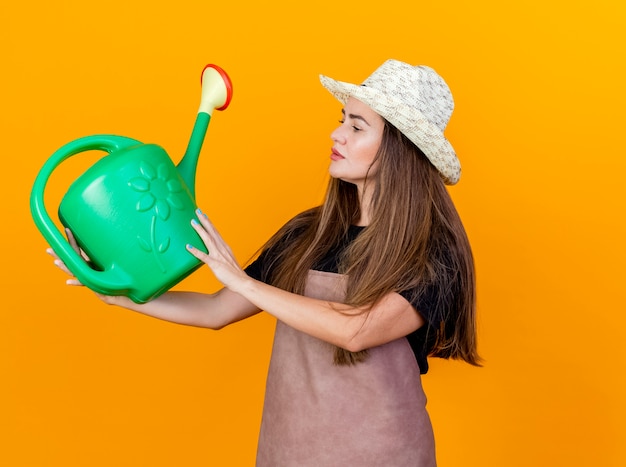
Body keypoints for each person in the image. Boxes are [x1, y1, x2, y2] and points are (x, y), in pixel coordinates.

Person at [49, 59, 480, 466]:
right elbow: (218, 310)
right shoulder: (307, 234)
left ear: (399, 149)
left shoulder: (432, 251)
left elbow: (357, 329)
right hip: (289, 448)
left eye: (357, 126)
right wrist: (115, 292)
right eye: (340, 120)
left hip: (383, 454)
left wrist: (244, 281)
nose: (336, 135)